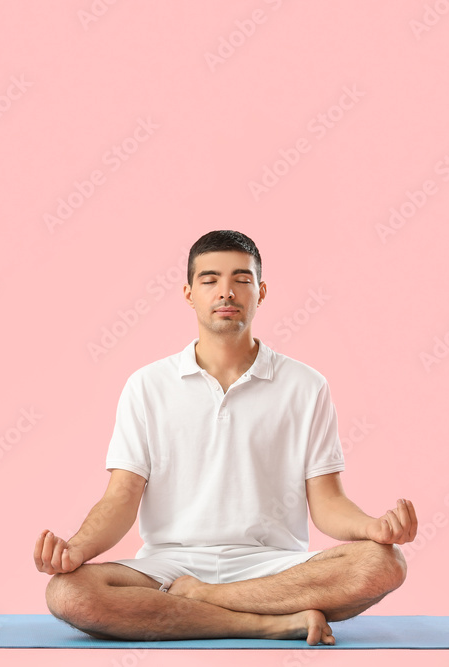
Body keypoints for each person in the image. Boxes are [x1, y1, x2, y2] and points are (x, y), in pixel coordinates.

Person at [33, 230, 417, 646]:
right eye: (210, 279)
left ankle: (209, 599)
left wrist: (373, 528)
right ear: (189, 293)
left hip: (275, 566)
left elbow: (327, 502)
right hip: (169, 565)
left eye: (242, 279)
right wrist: (76, 549)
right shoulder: (147, 385)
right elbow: (121, 496)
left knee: (383, 563)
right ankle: (265, 623)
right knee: (68, 592)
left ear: (261, 291)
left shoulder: (306, 386)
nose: (226, 292)